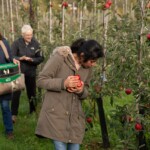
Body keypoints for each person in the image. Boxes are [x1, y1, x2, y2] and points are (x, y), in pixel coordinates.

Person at [35, 38, 104, 150]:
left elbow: (86, 90)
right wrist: (63, 83)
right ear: (82, 55)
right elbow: (41, 80)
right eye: (92, 61)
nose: (93, 64)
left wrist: (81, 90)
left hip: (74, 117)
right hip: (56, 114)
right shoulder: (60, 58)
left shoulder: (87, 68)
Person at [11, 25, 44, 122]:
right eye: (27, 35)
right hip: (18, 72)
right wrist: (19, 58)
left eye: (31, 35)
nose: (30, 37)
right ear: (22, 35)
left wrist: (32, 59)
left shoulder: (36, 43)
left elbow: (41, 58)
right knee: (16, 92)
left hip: (31, 71)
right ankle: (13, 114)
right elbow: (11, 55)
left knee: (32, 93)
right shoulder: (17, 43)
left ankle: (33, 111)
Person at [0, 33, 20, 139]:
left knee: (5, 106)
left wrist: (13, 60)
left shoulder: (3, 43)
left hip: (4, 79)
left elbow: (10, 57)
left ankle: (9, 131)